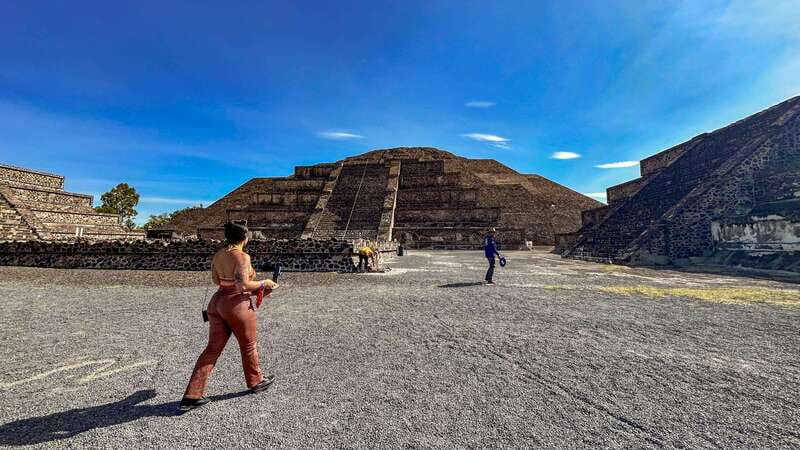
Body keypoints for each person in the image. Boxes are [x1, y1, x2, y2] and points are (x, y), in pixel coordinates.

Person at [180, 222, 279, 412]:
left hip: (216, 302)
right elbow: (243, 286)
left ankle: (192, 395)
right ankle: (256, 380)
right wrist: (264, 283)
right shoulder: (242, 256)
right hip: (236, 304)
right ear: (245, 237)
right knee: (248, 345)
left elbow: (216, 280)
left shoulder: (219, 254)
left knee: (212, 349)